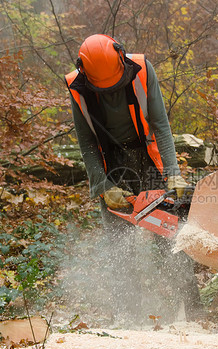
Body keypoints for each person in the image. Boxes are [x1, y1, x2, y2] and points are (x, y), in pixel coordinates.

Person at [64, 34, 200, 323]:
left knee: (171, 235)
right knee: (118, 245)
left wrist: (173, 174)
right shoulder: (78, 87)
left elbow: (161, 125)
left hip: (147, 158)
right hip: (110, 164)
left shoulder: (141, 69)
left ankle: (193, 311)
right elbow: (87, 143)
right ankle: (128, 317)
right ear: (84, 71)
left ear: (120, 56)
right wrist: (102, 185)